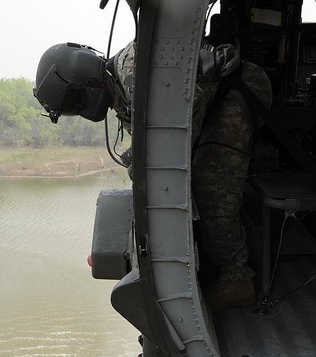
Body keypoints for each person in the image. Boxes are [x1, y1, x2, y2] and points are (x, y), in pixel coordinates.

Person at [34, 40, 271, 311]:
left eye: (74, 103)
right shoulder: (119, 95)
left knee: (210, 188)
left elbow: (175, 125)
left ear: (81, 82)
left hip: (238, 88)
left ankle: (237, 278)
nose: (81, 110)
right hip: (212, 99)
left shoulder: (132, 75)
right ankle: (248, 251)